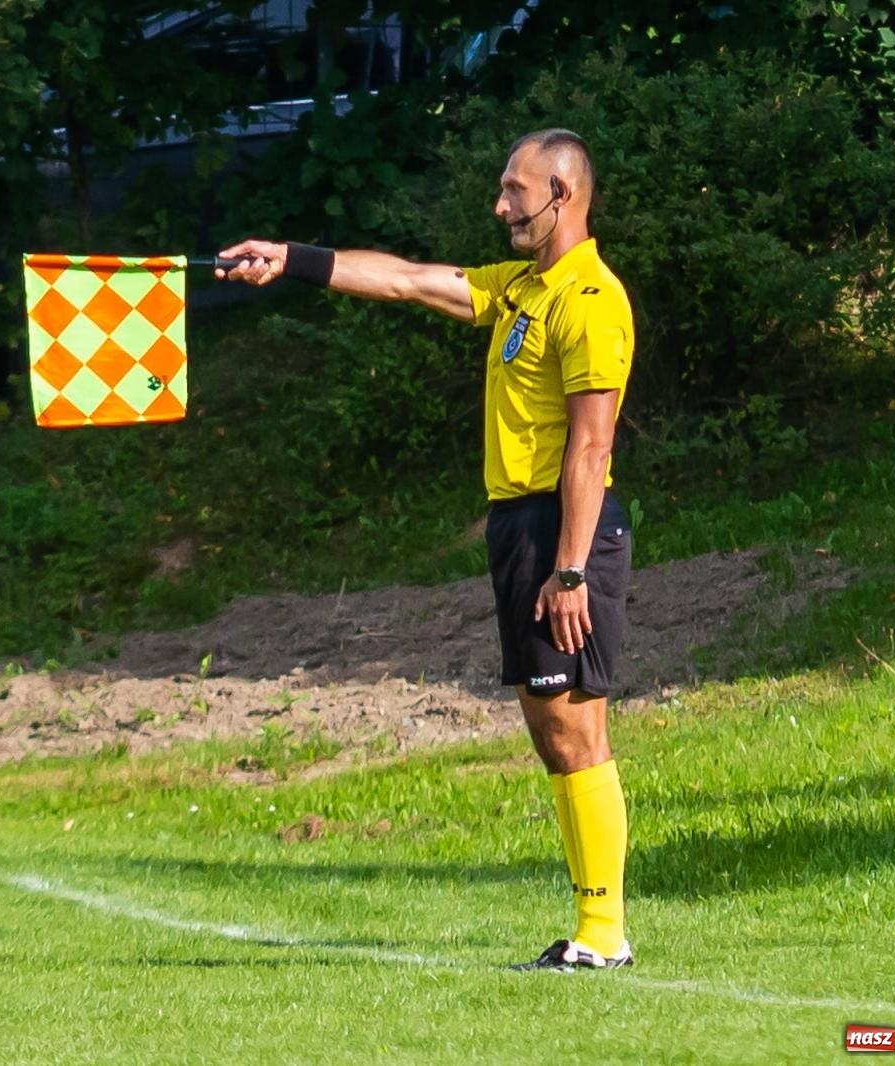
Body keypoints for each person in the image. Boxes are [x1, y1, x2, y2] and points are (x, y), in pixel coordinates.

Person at [219, 129, 635, 972]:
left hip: (564, 527)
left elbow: (591, 449)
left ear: (563, 193)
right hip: (520, 526)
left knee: (574, 727)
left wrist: (569, 567)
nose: (500, 206)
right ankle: (597, 934)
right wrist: (291, 259)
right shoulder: (522, 287)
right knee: (552, 731)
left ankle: (603, 937)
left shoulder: (590, 299)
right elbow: (410, 280)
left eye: (515, 191)